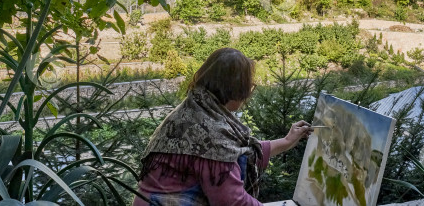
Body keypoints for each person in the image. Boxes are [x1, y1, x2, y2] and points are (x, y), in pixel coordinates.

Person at [133, 47, 313, 206]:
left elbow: (243, 154)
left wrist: (288, 140)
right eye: (248, 87)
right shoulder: (211, 135)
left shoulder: (195, 108)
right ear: (235, 90)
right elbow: (231, 201)